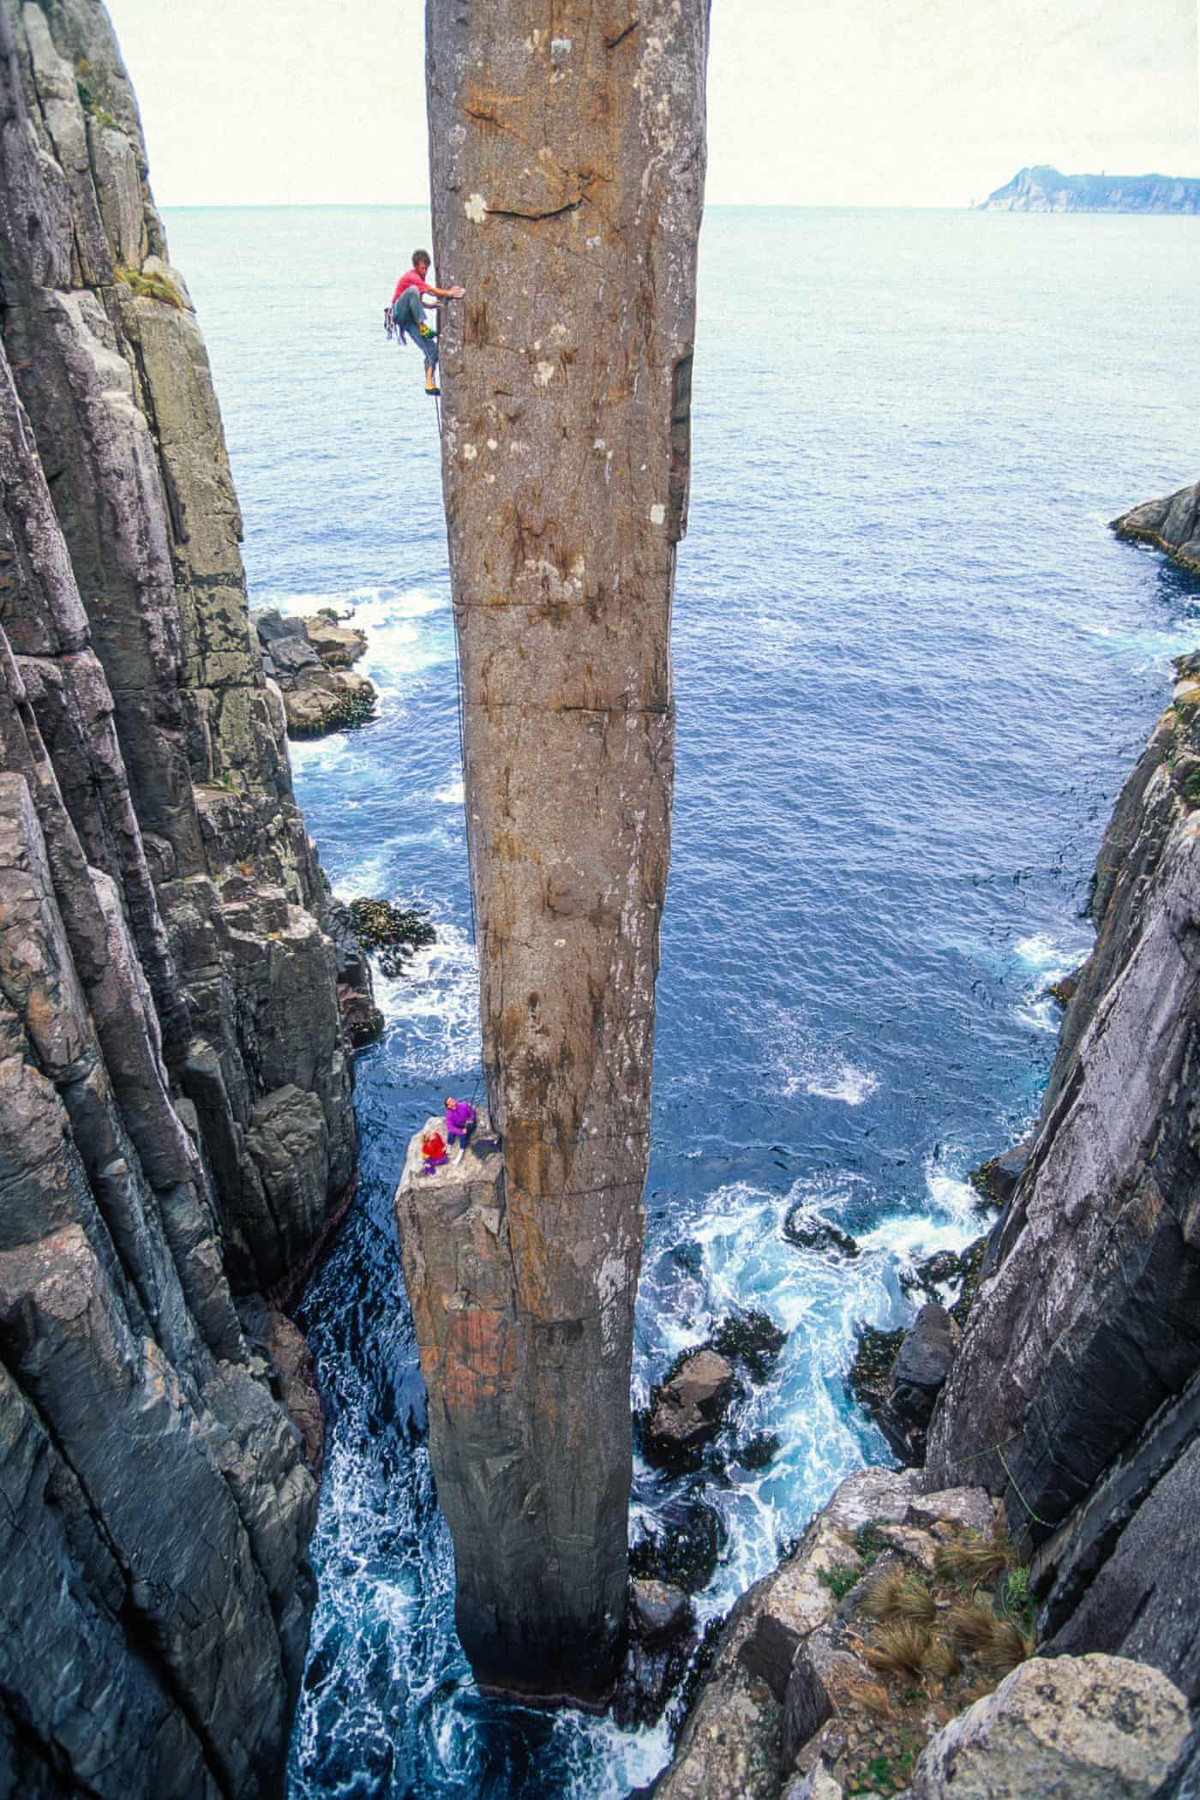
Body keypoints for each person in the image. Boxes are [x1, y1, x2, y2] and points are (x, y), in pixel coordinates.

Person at [390, 250, 465, 396]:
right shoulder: (412, 277)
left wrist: (430, 306)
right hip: (399, 312)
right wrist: (448, 293)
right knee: (412, 290)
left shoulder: (419, 280)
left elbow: (416, 301)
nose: (424, 271)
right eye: (422, 268)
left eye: (426, 268)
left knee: (432, 349)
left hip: (409, 320)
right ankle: (422, 326)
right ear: (416, 267)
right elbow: (429, 290)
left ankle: (429, 384)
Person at [445, 1096, 477, 1161]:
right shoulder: (449, 1114)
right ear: (448, 1106)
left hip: (468, 1123)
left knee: (463, 1136)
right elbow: (450, 1126)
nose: (452, 1101)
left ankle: (461, 1151)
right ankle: (449, 1144)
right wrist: (460, 1131)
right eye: (450, 1101)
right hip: (459, 1125)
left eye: (452, 1099)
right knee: (451, 1132)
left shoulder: (463, 1105)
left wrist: (470, 1119)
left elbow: (472, 1113)